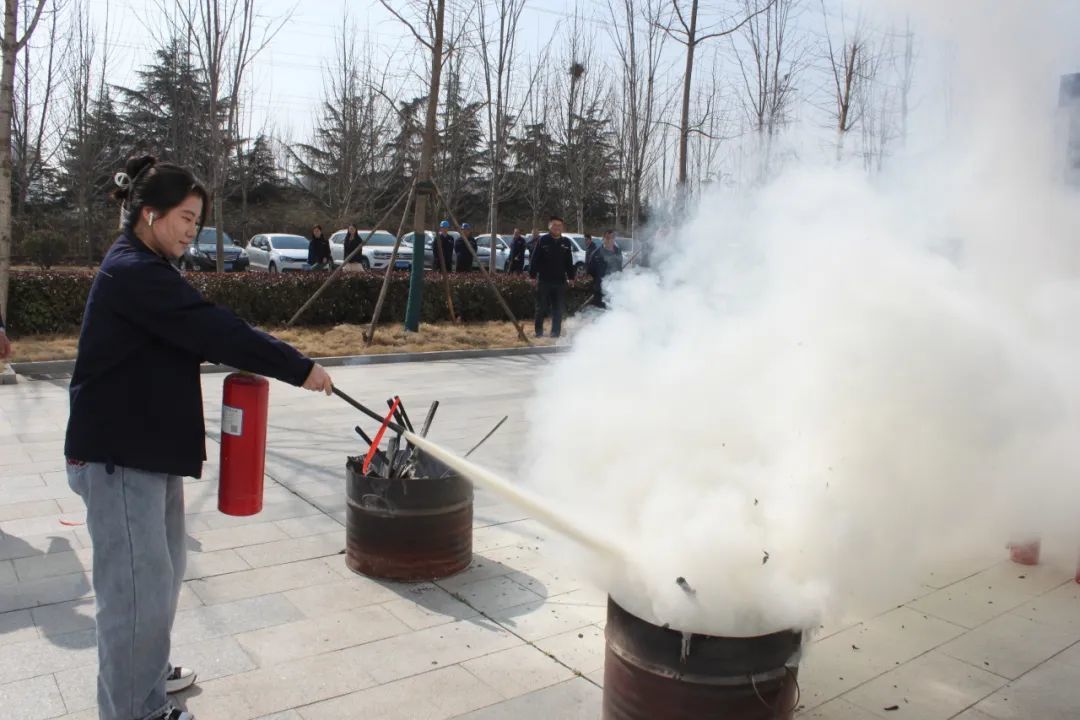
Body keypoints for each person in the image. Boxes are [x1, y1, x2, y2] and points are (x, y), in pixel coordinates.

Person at [64, 155, 335, 720]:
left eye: (197, 220)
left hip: (146, 451)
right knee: (135, 595)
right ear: (149, 213)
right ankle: (137, 709)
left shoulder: (148, 267)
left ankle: (145, 672)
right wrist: (297, 366)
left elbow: (195, 332)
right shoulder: (134, 272)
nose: (193, 229)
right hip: (118, 457)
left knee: (160, 579)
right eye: (186, 217)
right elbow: (212, 328)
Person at [529, 216, 575, 338]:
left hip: (560, 281)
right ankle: (539, 332)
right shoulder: (543, 240)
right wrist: (532, 276)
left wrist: (571, 277)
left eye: (559, 225)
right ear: (549, 226)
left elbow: (569, 261)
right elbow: (534, 259)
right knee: (541, 308)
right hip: (544, 280)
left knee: (558, 309)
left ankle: (555, 333)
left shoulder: (566, 242)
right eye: (554, 225)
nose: (557, 227)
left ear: (562, 227)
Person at [586, 230, 623, 308]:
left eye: (612, 238)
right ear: (603, 239)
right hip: (600, 290)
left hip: (615, 289)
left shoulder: (618, 251)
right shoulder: (596, 254)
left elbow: (620, 269)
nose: (610, 240)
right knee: (601, 312)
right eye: (607, 238)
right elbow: (590, 272)